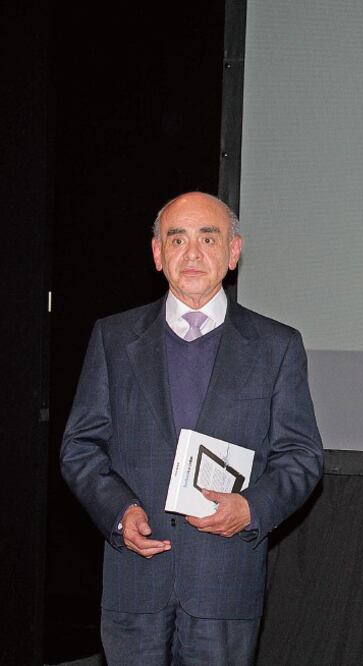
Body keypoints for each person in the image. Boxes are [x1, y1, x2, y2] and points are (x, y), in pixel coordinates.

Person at [61, 192, 324, 665]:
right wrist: (119, 513)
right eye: (177, 239)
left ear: (234, 252)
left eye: (209, 237)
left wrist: (250, 508)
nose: (194, 252)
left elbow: (301, 455)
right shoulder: (113, 337)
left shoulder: (277, 346)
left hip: (224, 583)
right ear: (158, 254)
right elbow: (80, 446)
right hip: (134, 580)